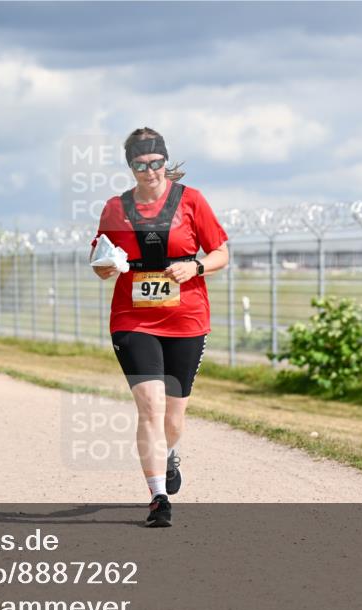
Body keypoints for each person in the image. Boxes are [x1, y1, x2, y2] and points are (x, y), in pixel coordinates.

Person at [89, 127, 229, 527]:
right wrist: (109, 264)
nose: (149, 171)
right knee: (149, 406)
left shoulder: (192, 201)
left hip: (186, 317)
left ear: (166, 162)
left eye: (156, 163)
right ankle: (158, 498)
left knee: (172, 415)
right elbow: (99, 267)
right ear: (130, 166)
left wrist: (195, 266)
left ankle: (170, 455)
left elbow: (221, 252)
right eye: (140, 164)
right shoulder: (115, 209)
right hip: (133, 318)